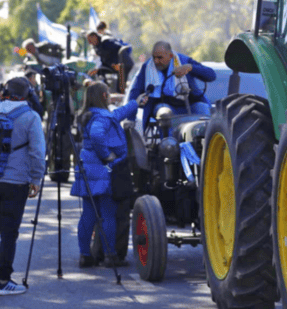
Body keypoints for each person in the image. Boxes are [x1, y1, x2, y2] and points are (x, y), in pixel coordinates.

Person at [0, 77, 45, 296]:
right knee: (8, 232)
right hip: (15, 181)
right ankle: (4, 280)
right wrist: (36, 178)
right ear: (28, 94)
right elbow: (37, 152)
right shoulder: (30, 117)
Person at [73, 81, 146, 268]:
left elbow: (116, 115)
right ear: (104, 96)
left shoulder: (90, 115)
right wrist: (107, 155)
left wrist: (136, 103)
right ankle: (110, 256)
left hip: (87, 168)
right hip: (103, 169)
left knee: (88, 214)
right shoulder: (102, 119)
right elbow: (98, 134)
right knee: (107, 214)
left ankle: (85, 255)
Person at [128, 41, 216, 130]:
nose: (156, 61)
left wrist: (191, 68)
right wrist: (130, 118)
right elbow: (135, 91)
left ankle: (204, 141)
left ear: (170, 56)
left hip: (190, 105)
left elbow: (211, 75)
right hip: (164, 105)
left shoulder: (184, 61)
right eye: (154, 57)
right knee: (164, 113)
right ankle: (168, 142)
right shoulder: (147, 67)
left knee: (203, 108)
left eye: (160, 58)